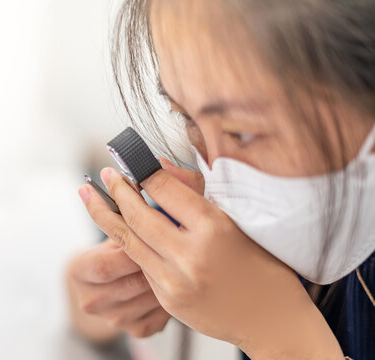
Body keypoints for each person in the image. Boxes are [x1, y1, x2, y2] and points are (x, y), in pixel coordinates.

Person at [67, 0, 374, 359]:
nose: (216, 171)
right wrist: (113, 288)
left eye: (242, 132)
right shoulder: (216, 184)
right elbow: (85, 298)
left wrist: (270, 326)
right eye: (188, 118)